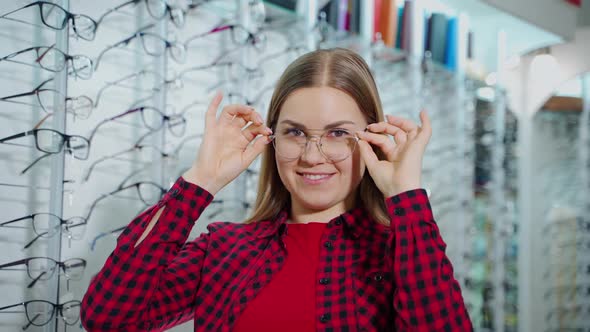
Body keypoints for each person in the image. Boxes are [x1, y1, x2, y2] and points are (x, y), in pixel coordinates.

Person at [81, 48, 472, 331]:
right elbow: (108, 318)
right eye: (295, 133)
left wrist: (406, 198)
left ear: (372, 138)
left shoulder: (398, 253)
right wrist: (200, 180)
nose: (311, 155)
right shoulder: (225, 249)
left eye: (337, 133)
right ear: (272, 138)